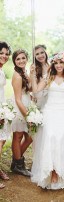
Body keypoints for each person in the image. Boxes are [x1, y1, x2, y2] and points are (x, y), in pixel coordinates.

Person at [30, 52, 64, 189]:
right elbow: (36, 90)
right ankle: (51, 171)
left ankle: (60, 171)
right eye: (56, 63)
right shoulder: (48, 77)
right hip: (50, 111)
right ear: (53, 64)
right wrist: (32, 75)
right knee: (50, 137)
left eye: (61, 62)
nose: (59, 65)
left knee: (61, 139)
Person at [10, 49, 32, 177]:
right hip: (19, 107)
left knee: (29, 137)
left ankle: (16, 160)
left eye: (23, 58)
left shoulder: (24, 72)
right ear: (14, 61)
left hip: (27, 104)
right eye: (18, 59)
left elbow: (30, 89)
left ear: (26, 58)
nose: (21, 61)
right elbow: (18, 99)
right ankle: (18, 164)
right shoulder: (17, 76)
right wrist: (27, 116)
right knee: (18, 137)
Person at [0, 42, 11, 188]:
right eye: (1, 53)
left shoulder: (1, 69)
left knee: (1, 141)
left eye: (6, 54)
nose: (4, 56)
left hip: (2, 108)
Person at [30, 45, 49, 110]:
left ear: (45, 53)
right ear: (34, 57)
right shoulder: (34, 68)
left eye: (42, 52)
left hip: (49, 95)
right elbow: (32, 86)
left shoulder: (50, 65)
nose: (40, 55)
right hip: (39, 96)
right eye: (37, 54)